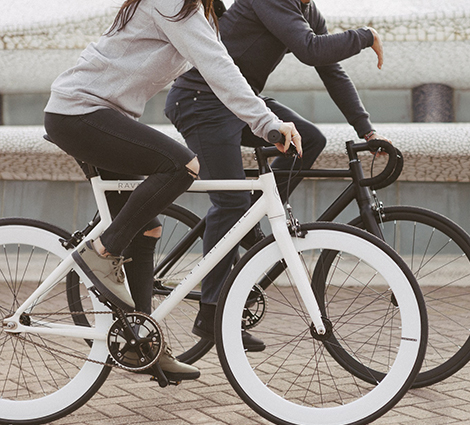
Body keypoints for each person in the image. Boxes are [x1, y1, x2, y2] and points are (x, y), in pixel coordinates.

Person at [43, 0, 302, 381]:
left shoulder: (196, 11)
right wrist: (268, 124)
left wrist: (260, 122)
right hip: (81, 111)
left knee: (147, 229)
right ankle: (102, 252)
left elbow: (219, 66)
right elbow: (219, 67)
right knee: (183, 165)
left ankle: (143, 343)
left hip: (100, 115)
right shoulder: (172, 4)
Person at [165, 0, 389, 351]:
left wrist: (367, 130)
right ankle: (211, 314)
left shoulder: (306, 8)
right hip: (202, 101)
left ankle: (250, 215)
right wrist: (367, 35)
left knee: (310, 140)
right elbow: (310, 49)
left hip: (240, 102)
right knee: (229, 202)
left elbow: (331, 69)